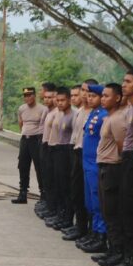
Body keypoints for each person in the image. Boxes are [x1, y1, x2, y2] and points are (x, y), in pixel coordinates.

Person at [109, 69, 133, 266]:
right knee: (124, 210)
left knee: (132, 212)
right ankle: (127, 258)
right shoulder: (132, 106)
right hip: (128, 158)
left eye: (129, 82)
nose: (125, 85)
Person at [94, 83, 127, 266]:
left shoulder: (117, 120)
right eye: (103, 95)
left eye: (107, 96)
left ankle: (118, 252)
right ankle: (112, 250)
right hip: (104, 166)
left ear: (117, 98)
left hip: (112, 168)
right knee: (107, 211)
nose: (103, 98)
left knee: (112, 213)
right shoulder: (109, 117)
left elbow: (122, 147)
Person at [62, 80, 96, 241]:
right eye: (81, 91)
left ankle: (89, 230)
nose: (83, 94)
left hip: (87, 155)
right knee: (76, 191)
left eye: (86, 91)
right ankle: (80, 226)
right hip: (75, 151)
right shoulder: (81, 111)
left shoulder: (95, 113)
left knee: (87, 194)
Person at [77, 84, 108, 253]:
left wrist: (91, 85)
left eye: (94, 96)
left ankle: (101, 235)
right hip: (86, 162)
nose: (90, 98)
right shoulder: (93, 113)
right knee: (89, 202)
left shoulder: (104, 115)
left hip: (95, 163)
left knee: (97, 202)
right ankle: (93, 232)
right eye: (88, 95)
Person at [46, 87, 75, 229]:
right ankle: (60, 214)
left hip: (67, 152)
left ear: (69, 100)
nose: (59, 103)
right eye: (58, 100)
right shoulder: (62, 115)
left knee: (66, 187)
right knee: (59, 185)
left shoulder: (73, 116)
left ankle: (68, 218)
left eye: (63, 100)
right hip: (58, 150)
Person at [12, 87, 46, 204]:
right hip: (25, 139)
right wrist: (24, 134)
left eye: (30, 95)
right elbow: (21, 123)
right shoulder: (21, 109)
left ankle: (43, 194)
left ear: (34, 95)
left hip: (36, 140)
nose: (28, 98)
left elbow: (44, 127)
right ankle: (23, 193)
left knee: (39, 167)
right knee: (23, 166)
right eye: (25, 95)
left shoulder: (42, 109)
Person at [35, 84, 58, 219]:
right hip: (44, 144)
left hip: (55, 148)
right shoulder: (48, 111)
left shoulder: (58, 113)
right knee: (45, 176)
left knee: (54, 180)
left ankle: (54, 208)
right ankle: (47, 203)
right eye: (46, 97)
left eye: (51, 97)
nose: (48, 100)